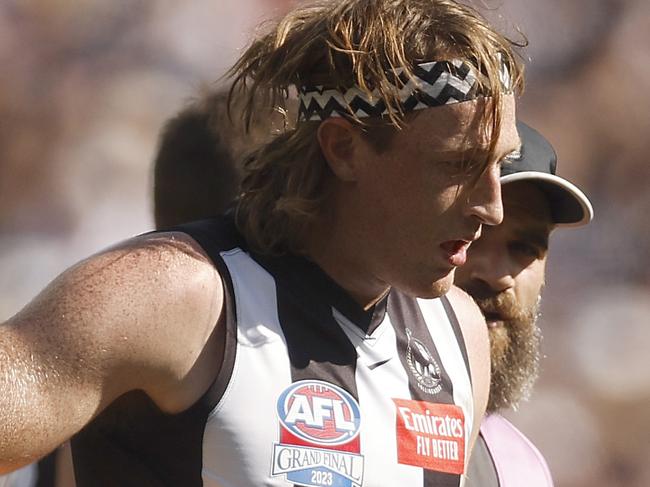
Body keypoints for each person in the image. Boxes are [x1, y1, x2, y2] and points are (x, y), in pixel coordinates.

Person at [1, 1, 526, 485]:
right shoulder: (179, 295)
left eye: (500, 165)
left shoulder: (459, 334)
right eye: (458, 164)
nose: (492, 207)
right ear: (344, 149)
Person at [458, 122, 594, 486]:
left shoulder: (519, 467)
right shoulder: (326, 410)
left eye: (524, 248)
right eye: (473, 234)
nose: (498, 275)